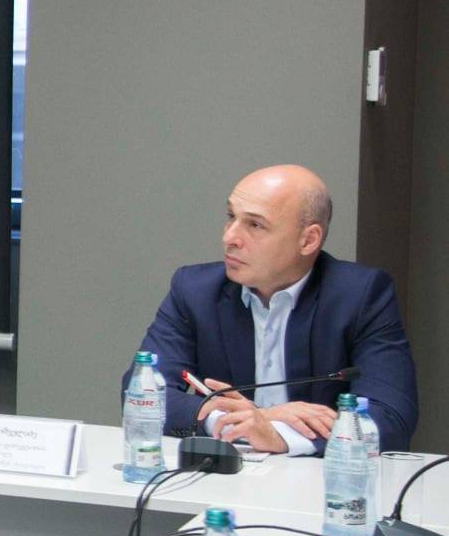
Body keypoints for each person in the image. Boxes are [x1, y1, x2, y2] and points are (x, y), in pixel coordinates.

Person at [132, 164, 418, 454]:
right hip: (222, 471)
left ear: (308, 240)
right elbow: (143, 395)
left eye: (255, 225)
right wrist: (252, 420)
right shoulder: (194, 291)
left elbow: (390, 419)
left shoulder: (360, 296)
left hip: (318, 476)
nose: (230, 237)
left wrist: (279, 435)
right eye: (231, 217)